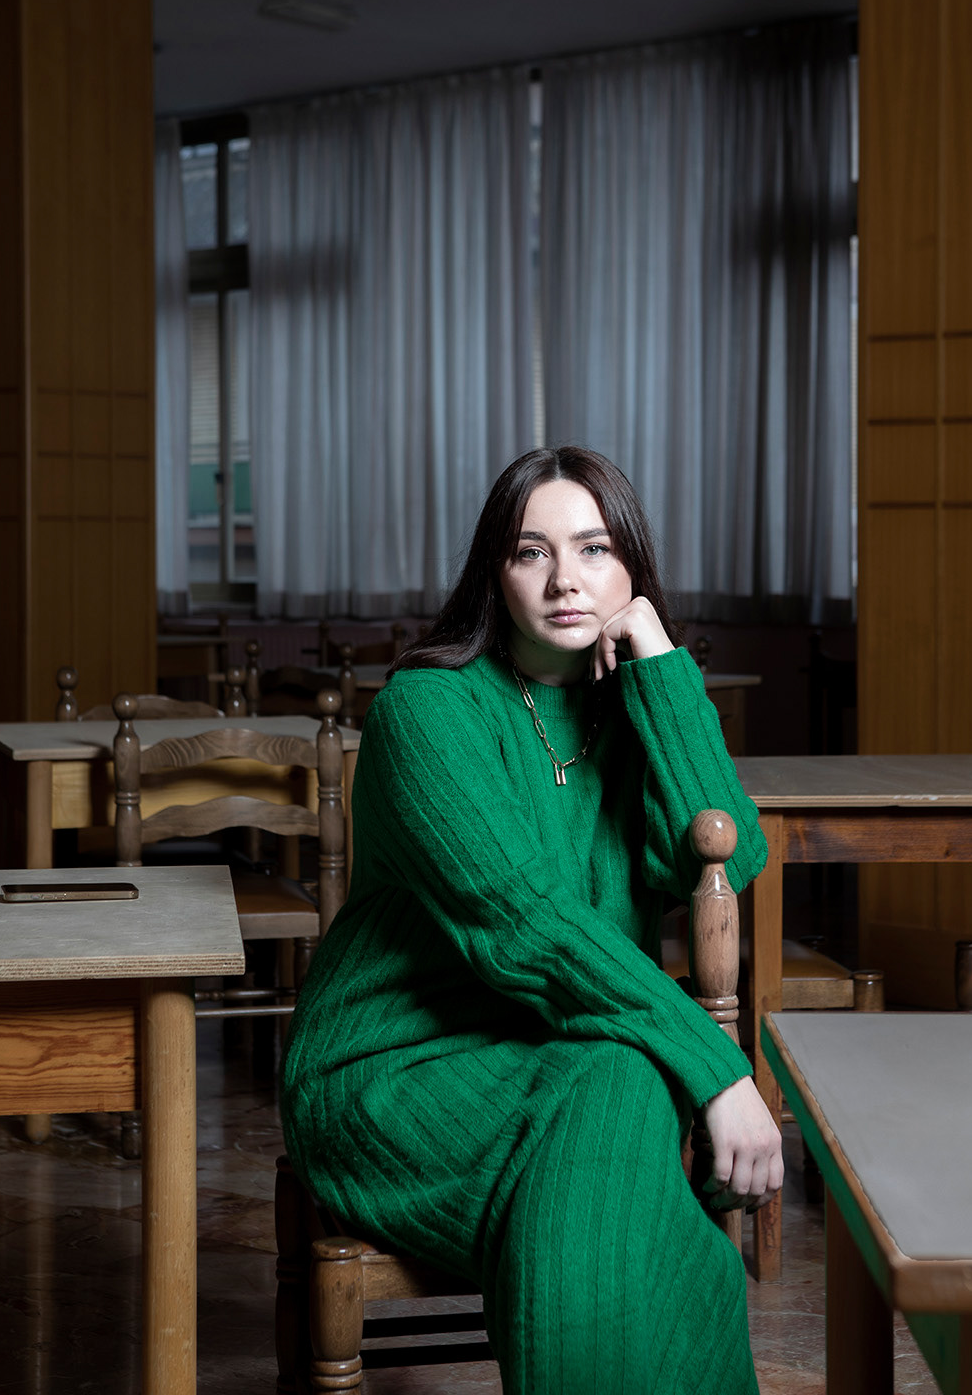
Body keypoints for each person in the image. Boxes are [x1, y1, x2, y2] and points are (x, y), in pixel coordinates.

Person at [281, 446, 783, 1394]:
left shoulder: (628, 709)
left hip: (571, 1054)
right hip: (392, 1071)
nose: (564, 580)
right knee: (627, 1111)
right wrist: (718, 1070)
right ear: (492, 573)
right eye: (530, 552)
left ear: (632, 568)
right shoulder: (426, 711)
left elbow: (726, 857)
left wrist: (662, 668)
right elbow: (521, 924)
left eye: (595, 550)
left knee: (619, 1088)